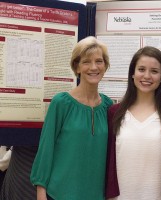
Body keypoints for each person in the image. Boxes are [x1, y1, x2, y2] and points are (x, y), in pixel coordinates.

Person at [30, 36, 113, 200]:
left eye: (99, 61)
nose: (93, 67)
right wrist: (41, 192)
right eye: (86, 62)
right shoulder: (61, 103)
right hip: (60, 193)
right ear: (77, 67)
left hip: (97, 195)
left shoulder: (108, 106)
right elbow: (46, 148)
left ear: (105, 66)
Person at [105, 46, 161, 200]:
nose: (146, 76)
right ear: (132, 74)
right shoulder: (114, 112)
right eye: (141, 69)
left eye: (154, 71)